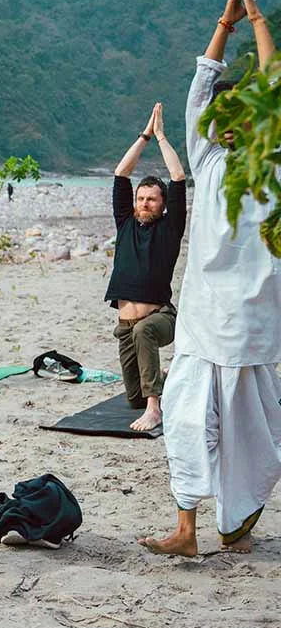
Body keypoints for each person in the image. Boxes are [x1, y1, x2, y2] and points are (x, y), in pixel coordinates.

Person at [140, 0, 281, 557]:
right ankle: (189, 528)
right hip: (206, 315)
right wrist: (227, 24)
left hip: (250, 320)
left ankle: (234, 522)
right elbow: (201, 89)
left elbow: (272, 88)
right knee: (187, 412)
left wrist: (256, 22)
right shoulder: (211, 157)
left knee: (251, 427)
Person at [105, 103, 186, 432]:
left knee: (143, 330)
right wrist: (144, 136)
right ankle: (169, 383)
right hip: (126, 327)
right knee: (134, 397)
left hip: (161, 319)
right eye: (141, 198)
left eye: (151, 199)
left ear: (163, 204)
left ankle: (156, 409)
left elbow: (178, 177)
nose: (144, 203)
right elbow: (121, 173)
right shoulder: (125, 222)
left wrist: (163, 137)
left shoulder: (169, 229)